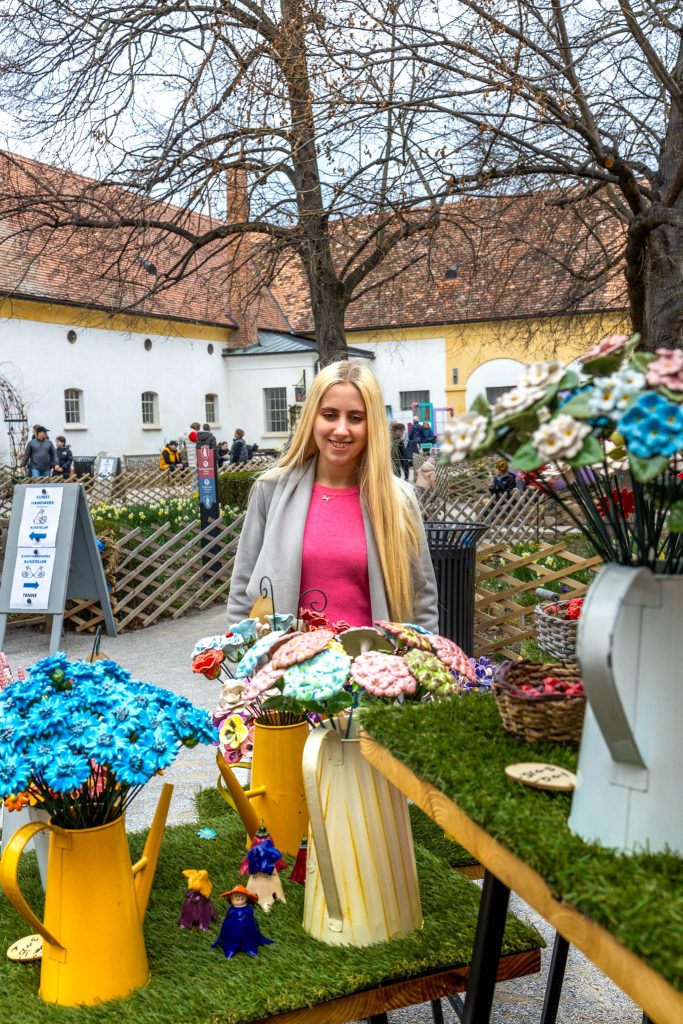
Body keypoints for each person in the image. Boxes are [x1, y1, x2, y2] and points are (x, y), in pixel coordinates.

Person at [227, 360, 438, 630]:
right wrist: (241, 665)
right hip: (287, 668)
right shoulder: (271, 491)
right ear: (312, 418)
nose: (341, 429)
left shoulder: (398, 500)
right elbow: (242, 593)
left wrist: (422, 666)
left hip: (373, 667)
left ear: (372, 424)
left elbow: (421, 602)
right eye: (329, 415)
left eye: (355, 418)